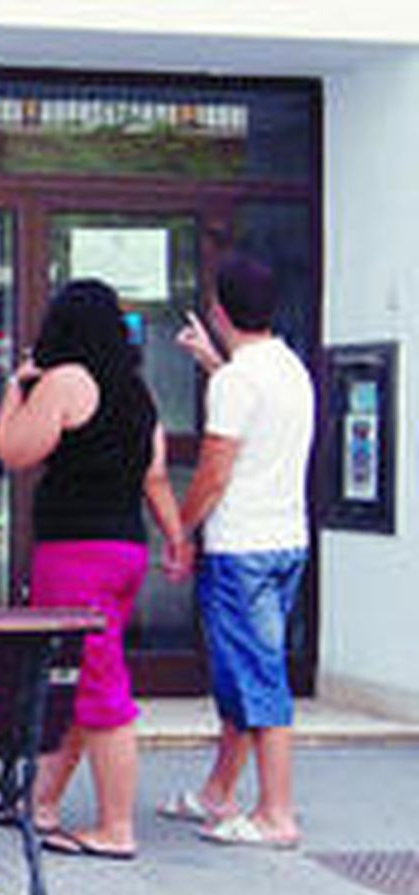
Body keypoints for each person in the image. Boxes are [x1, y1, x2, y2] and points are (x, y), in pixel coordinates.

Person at [0, 279, 186, 861]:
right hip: (124, 551)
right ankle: (40, 802)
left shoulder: (65, 383)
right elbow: (153, 476)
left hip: (75, 554)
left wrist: (13, 393)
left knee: (100, 687)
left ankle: (116, 828)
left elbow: (13, 451)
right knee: (83, 678)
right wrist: (176, 538)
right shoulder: (138, 395)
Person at [158, 254, 313, 850]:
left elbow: (214, 473)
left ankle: (277, 813)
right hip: (284, 542)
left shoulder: (235, 383)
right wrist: (213, 363)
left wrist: (180, 532)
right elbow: (256, 412)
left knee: (256, 676)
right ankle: (219, 792)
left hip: (240, 548)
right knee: (245, 674)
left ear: (220, 312)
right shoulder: (289, 369)